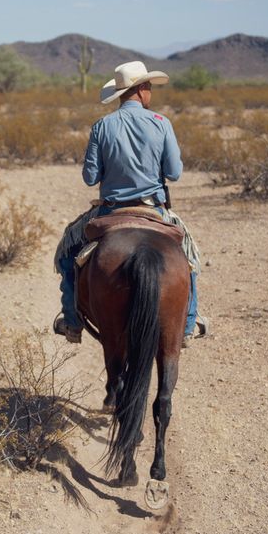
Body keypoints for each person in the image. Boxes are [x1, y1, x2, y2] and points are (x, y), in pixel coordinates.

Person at [53, 61, 207, 345]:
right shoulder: (162, 123)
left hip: (110, 209)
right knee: (188, 257)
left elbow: (90, 177)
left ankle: (72, 322)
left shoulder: (102, 126)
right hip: (154, 209)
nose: (150, 91)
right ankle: (188, 323)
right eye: (148, 86)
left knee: (68, 251)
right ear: (141, 89)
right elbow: (174, 172)